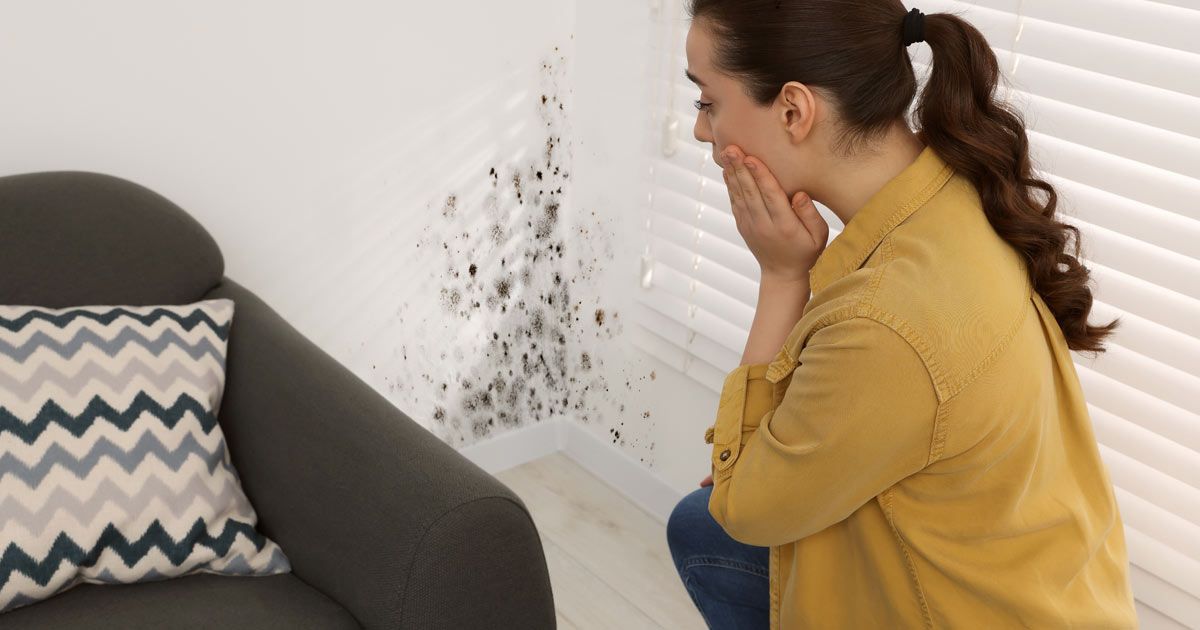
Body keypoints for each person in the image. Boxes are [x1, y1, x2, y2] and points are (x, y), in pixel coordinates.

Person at [664, 1, 1139, 628]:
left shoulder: (886, 322)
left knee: (715, 521)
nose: (703, 131)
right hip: (1059, 589)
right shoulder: (954, 188)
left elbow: (744, 509)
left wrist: (783, 278)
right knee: (702, 528)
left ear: (793, 110)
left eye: (708, 103)